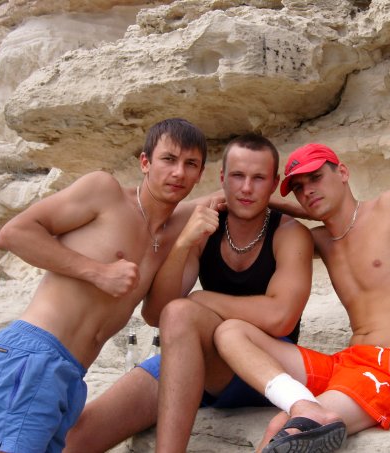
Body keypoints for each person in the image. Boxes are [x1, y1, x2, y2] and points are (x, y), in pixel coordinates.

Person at [213, 120, 390, 453]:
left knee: (285, 428)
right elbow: (273, 223)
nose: (308, 190)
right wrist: (259, 202)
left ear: (343, 172)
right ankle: (300, 402)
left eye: (316, 178)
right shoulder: (319, 240)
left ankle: (310, 414)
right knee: (231, 331)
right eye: (299, 187)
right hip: (347, 364)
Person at [0, 118, 212, 453]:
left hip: (71, 373)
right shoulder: (105, 193)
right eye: (168, 159)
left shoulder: (174, 231)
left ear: (200, 174)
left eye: (191, 164)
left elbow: (240, 193)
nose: (178, 172)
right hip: (35, 354)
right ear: (145, 162)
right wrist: (97, 272)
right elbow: (14, 234)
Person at [64, 134, 314, 452]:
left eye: (258, 178)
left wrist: (201, 300)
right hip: (194, 359)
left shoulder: (289, 233)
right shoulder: (204, 226)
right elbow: (156, 314)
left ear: (274, 183)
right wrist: (183, 244)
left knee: (183, 311)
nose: (246, 188)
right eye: (237, 176)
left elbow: (280, 318)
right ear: (222, 177)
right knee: (75, 439)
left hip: (261, 366)